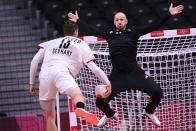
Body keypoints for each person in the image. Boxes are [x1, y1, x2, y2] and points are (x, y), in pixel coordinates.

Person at [68, 3, 184, 127]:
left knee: (158, 92)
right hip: (117, 77)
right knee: (100, 102)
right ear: (114, 22)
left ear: (126, 21)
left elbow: (153, 26)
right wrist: (78, 20)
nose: (119, 21)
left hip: (135, 74)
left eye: (122, 19)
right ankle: (110, 114)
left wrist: (168, 14)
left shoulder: (133, 32)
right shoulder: (109, 33)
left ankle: (149, 111)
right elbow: (93, 30)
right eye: (117, 20)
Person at [29, 21, 111, 131]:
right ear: (76, 31)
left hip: (45, 75)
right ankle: (80, 108)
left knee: (49, 118)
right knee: (77, 95)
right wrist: (108, 83)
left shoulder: (51, 42)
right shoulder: (80, 43)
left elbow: (34, 61)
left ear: (64, 32)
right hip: (62, 71)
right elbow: (94, 68)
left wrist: (32, 83)